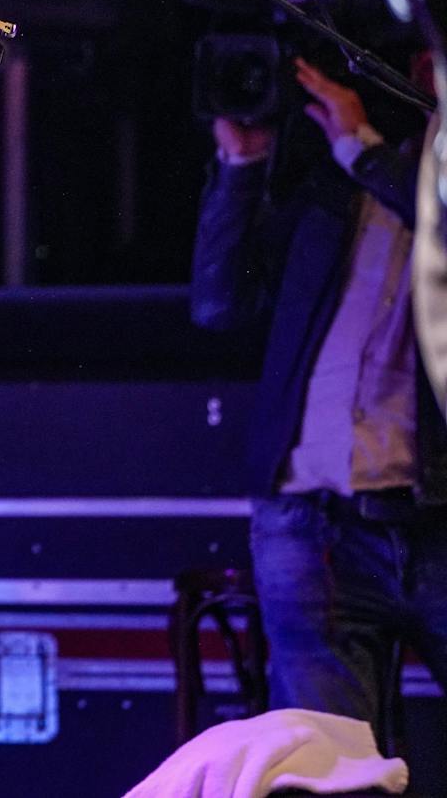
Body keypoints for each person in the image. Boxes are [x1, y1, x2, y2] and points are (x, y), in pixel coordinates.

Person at [190, 56, 447, 738]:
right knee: (328, 764)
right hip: (314, 524)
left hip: (436, 524)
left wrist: (359, 149)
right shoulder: (341, 186)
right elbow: (220, 304)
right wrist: (241, 168)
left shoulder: (366, 164)